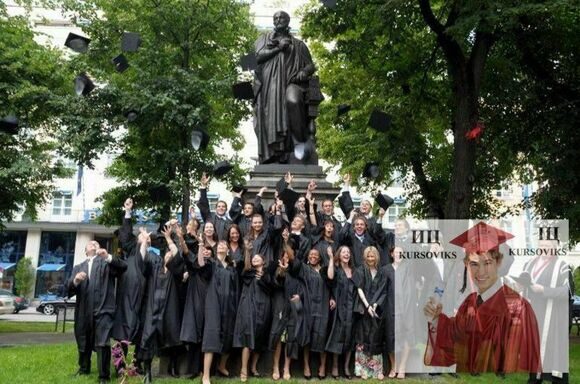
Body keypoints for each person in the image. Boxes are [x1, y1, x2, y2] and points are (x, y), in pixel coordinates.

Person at [424, 239, 542, 375]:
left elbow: (524, 351)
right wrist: (439, 317)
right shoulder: (469, 301)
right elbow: (453, 329)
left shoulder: (517, 306)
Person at [253, 10, 317, 164]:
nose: (278, 20)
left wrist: (303, 72)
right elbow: (258, 57)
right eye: (275, 18)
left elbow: (311, 66)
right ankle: (276, 152)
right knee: (270, 113)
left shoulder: (299, 45)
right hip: (270, 86)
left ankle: (300, 143)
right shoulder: (263, 39)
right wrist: (278, 48)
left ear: (288, 21)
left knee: (293, 101)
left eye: (281, 17)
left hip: (292, 83)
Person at [67, 240, 127, 384]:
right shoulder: (78, 267)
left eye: (96, 243)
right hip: (83, 311)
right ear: (86, 250)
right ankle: (84, 368)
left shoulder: (106, 264)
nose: (93, 243)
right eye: (90, 243)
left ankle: (103, 376)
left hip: (103, 309)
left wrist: (108, 256)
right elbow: (68, 289)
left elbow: (123, 267)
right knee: (83, 338)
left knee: (102, 343)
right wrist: (75, 280)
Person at [138, 224, 184, 383]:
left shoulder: (175, 271)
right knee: (148, 339)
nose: (170, 255)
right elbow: (142, 257)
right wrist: (145, 241)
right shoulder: (154, 266)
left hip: (170, 308)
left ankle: (172, 368)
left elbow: (178, 254)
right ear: (163, 256)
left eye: (172, 254)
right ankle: (148, 372)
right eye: (168, 253)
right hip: (153, 308)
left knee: (173, 338)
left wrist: (168, 238)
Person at [523, 239, 572, 384]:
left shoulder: (562, 266)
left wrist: (544, 290)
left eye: (547, 246)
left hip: (554, 316)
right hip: (534, 314)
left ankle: (558, 381)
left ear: (555, 248)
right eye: (541, 245)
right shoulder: (529, 264)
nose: (543, 248)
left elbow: (567, 292)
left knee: (554, 351)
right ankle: (534, 379)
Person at [200, 240, 242, 384]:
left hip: (229, 306)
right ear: (216, 249)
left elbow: (236, 289)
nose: (222, 246)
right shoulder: (211, 264)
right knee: (211, 337)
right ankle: (206, 375)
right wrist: (201, 247)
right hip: (214, 304)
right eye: (220, 245)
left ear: (228, 250)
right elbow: (201, 266)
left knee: (228, 335)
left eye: (225, 245)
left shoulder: (232, 268)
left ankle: (222, 366)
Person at [233, 247, 273, 382]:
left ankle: (253, 367)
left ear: (263, 261)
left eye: (258, 258)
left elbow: (271, 287)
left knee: (259, 338)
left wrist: (263, 278)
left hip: (264, 307)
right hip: (249, 306)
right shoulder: (248, 273)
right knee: (247, 337)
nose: (255, 259)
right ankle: (244, 369)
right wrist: (248, 251)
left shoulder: (267, 274)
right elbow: (244, 270)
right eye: (253, 258)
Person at [352, 246, 386, 380]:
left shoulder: (381, 272)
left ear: (376, 257)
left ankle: (377, 370)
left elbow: (383, 290)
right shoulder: (360, 270)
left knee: (376, 338)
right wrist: (368, 306)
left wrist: (375, 305)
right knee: (363, 338)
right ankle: (363, 370)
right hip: (364, 310)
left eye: (373, 256)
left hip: (377, 310)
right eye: (368, 256)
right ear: (365, 257)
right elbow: (359, 289)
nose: (370, 259)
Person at [325, 246, 356, 379]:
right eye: (344, 252)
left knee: (350, 337)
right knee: (337, 336)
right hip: (339, 308)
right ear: (339, 254)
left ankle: (346, 367)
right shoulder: (336, 269)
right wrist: (331, 258)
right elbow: (330, 276)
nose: (346, 254)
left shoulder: (354, 271)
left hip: (352, 308)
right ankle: (335, 367)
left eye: (348, 252)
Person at [197, 173, 232, 241]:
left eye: (223, 206)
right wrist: (203, 187)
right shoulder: (210, 217)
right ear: (216, 209)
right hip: (209, 248)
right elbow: (204, 206)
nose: (221, 208)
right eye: (219, 206)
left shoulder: (230, 222)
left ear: (226, 209)